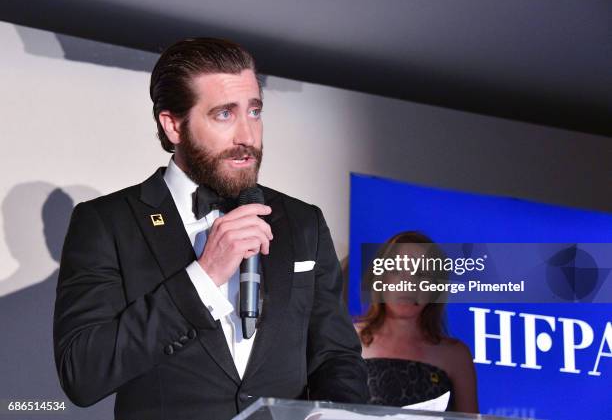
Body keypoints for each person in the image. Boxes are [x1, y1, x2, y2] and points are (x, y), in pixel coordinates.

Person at [53, 38, 368, 420]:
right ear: (173, 126)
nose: (247, 136)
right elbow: (82, 375)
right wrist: (203, 277)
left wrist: (336, 414)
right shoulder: (107, 223)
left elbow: (336, 356)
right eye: (224, 114)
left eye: (254, 111)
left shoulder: (303, 222)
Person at [356, 231, 478, 413]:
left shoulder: (456, 356)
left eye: (420, 273)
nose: (409, 283)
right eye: (397, 271)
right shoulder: (348, 339)